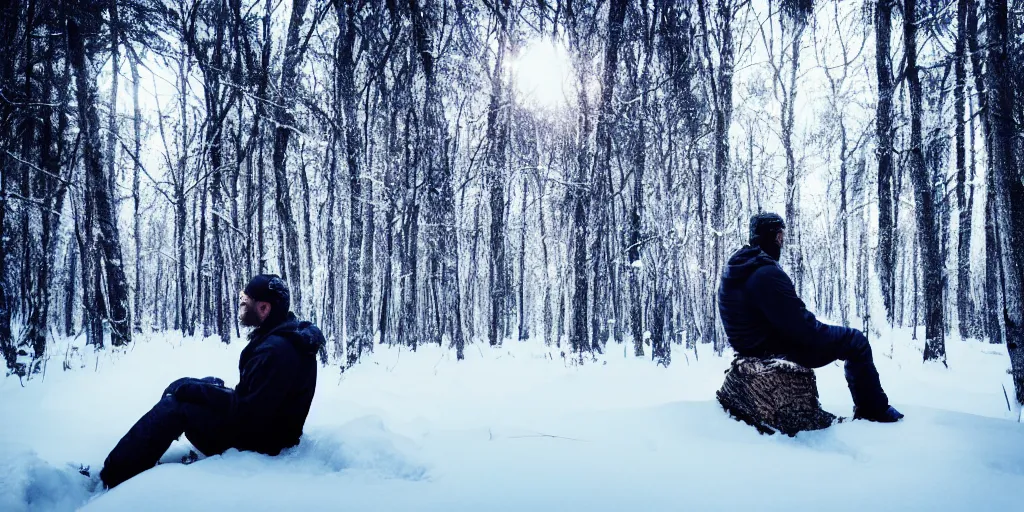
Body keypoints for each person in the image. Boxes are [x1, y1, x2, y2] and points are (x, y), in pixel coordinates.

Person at [99, 274, 325, 488]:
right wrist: (204, 388)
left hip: (261, 443)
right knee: (197, 384)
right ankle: (142, 453)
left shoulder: (274, 351)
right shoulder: (287, 337)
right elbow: (257, 400)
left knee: (177, 405)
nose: (241, 306)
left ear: (264, 308)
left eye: (245, 301)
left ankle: (115, 475)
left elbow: (248, 414)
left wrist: (197, 392)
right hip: (271, 430)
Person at [717, 212, 903, 423]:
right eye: (780, 236)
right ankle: (874, 410)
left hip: (754, 345)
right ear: (773, 237)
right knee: (855, 341)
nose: (782, 241)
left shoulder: (738, 267)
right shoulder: (765, 273)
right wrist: (830, 333)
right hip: (772, 348)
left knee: (845, 338)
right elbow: (804, 331)